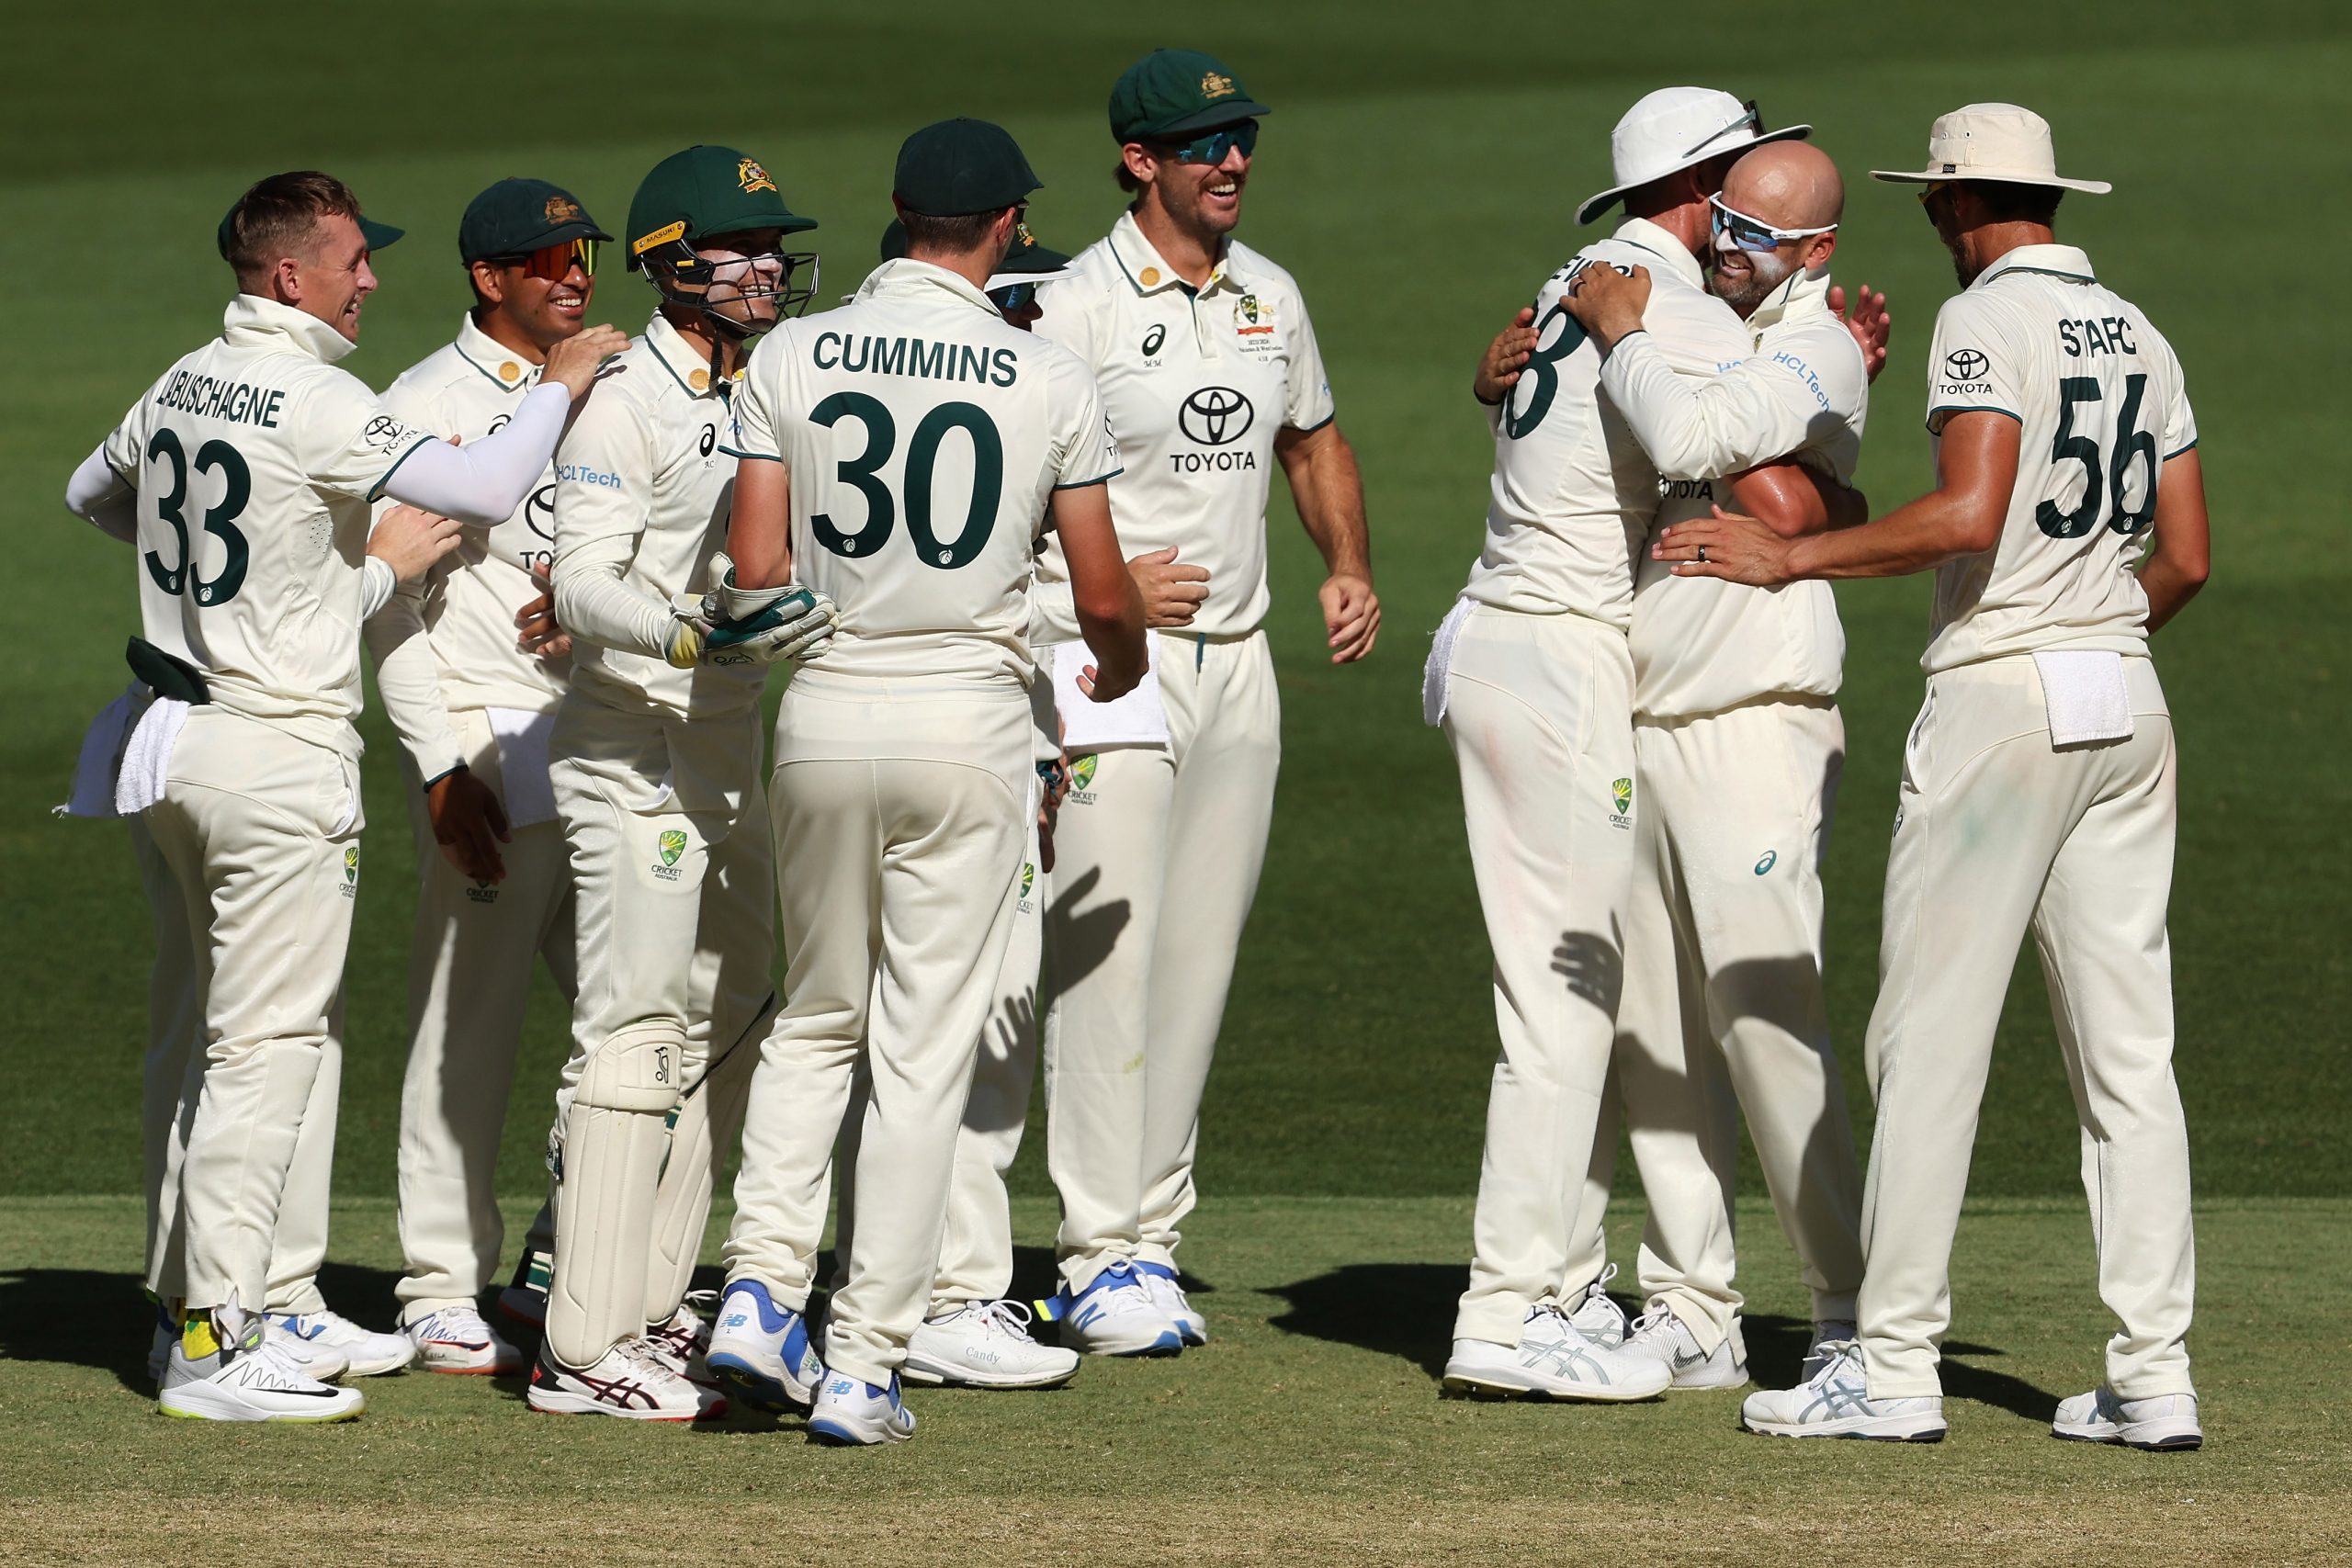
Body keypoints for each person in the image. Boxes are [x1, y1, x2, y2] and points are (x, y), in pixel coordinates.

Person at [1659, 105, 2211, 1450]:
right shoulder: (2141, 329)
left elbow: (1968, 514)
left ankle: (1892, 1369)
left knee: (1928, 1041)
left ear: (1954, 208)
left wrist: (1789, 559)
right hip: (2125, 696)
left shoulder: (1981, 325)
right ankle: (2155, 1376)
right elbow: (2185, 558)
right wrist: (2089, 626)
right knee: (2132, 1057)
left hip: (2004, 701)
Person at [64, 169, 625, 1421]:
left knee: (222, 1034)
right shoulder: (315, 396)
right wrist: (558, 388)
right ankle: (212, 1343)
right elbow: (478, 493)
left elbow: (88, 497)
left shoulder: (179, 381)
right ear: (286, 276)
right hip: (270, 754)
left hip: (171, 740)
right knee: (265, 1045)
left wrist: (259, 588)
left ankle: (256, 1297)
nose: (371, 277)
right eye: (353, 259)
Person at [707, 117, 1145, 1445]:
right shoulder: (1046, 375)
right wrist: (1115, 673)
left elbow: (760, 573)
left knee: (817, 1020)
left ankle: (759, 1287)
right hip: (967, 723)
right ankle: (864, 1360)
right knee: (920, 1049)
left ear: (899, 214)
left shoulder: (790, 349)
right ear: (1008, 230)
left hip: (825, 712)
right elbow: (1104, 588)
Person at [1429, 88, 1822, 1403]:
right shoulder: (1679, 309)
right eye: (1738, 184)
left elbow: (1507, 387)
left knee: (1564, 989)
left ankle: (1558, 1286)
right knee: (1564, 1002)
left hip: (1494, 637)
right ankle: (1508, 1311)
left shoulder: (1570, 280)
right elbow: (1743, 466)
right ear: (1703, 189)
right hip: (1561, 660)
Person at [1031, 46, 1377, 1356]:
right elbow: (1026, 492)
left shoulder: (1269, 293)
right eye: (1203, 145)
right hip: (1116, 660)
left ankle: (1152, 1242)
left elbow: (1313, 438)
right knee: (1107, 959)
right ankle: (1093, 1249)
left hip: (1240, 665)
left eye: (1241, 140)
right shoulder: (1071, 308)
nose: (1231, 161)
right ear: (1140, 163)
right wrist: (1109, 590)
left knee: (1200, 958)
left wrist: (1345, 564)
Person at [1543, 140, 1882, 1390]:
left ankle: (1852, 1315)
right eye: (1722, 223)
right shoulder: (1713, 320)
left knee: (1765, 1017)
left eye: (1758, 236)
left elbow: (1768, 493)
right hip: (1648, 701)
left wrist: (1633, 341)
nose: (1729, 250)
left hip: (1757, 708)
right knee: (1655, 1026)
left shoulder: (1825, 341)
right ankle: (1693, 1305)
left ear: (1816, 252)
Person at [526, 144, 836, 1421]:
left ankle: (653, 1308)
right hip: (632, 744)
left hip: (721, 748)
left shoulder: (763, 387)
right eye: (742, 252)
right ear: (674, 266)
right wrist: (695, 636)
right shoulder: (623, 403)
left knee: (735, 1010)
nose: (768, 271)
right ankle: (582, 1346)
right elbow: (583, 583)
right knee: (634, 1025)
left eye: (775, 250)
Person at [365, 177, 613, 1373]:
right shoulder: (427, 403)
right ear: (489, 278)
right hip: (492, 763)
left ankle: (571, 1261)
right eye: (548, 258)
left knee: (648, 1027)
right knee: (470, 1029)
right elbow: (389, 611)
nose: (575, 273)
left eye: (584, 253)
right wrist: (436, 764)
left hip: (615, 754)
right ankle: (435, 1285)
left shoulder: (612, 380)